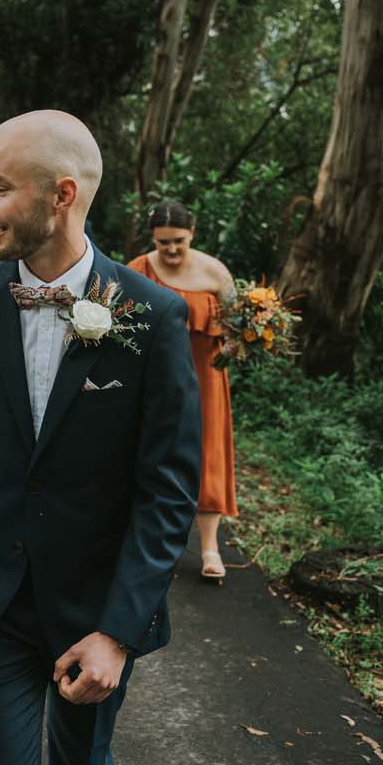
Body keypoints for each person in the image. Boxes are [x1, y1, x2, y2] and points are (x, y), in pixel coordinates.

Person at [0, 111, 203, 765]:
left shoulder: (152, 314)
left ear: (61, 195)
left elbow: (168, 491)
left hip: (95, 608)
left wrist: (118, 633)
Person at [127, 200, 237, 578]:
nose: (171, 250)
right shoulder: (138, 269)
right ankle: (153, 543)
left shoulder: (215, 271)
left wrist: (244, 341)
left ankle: (209, 548)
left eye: (178, 241)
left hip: (206, 376)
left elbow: (239, 323)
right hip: (155, 375)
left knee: (208, 454)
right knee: (152, 450)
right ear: (152, 240)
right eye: (163, 243)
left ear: (192, 234)